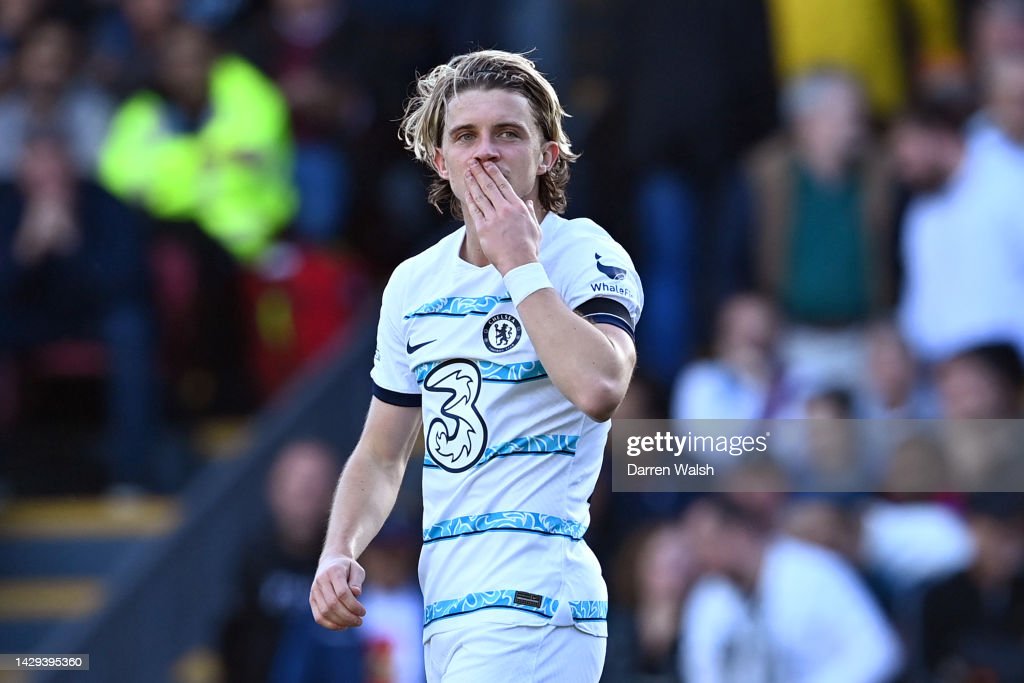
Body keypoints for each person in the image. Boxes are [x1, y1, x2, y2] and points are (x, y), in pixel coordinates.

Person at [309, 50, 643, 683]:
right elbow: (382, 454)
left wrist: (520, 265)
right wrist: (338, 550)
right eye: (465, 136)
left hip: (536, 598)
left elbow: (601, 386)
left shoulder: (583, 253)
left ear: (547, 155)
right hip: (447, 605)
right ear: (440, 160)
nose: (485, 152)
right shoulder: (414, 284)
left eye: (508, 134)